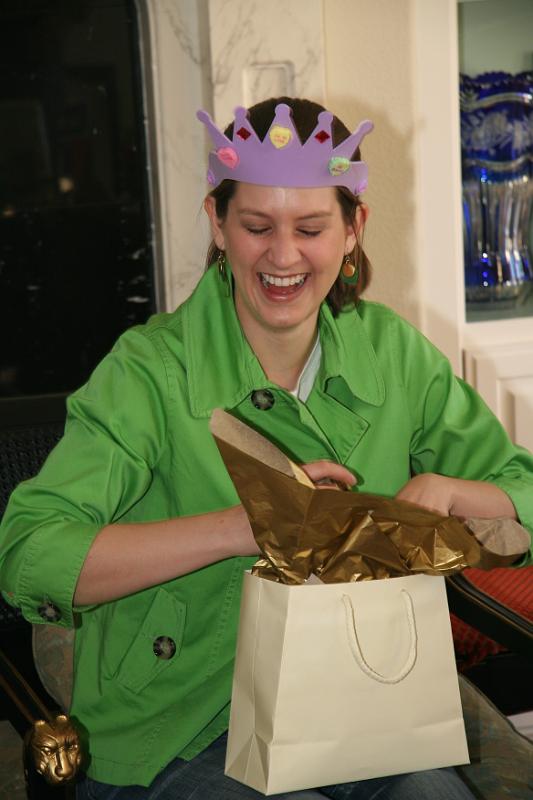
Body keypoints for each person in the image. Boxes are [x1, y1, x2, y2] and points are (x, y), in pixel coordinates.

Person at [0, 97, 532, 800]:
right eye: (256, 227)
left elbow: (520, 489)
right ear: (217, 224)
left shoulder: (394, 354)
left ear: (353, 229)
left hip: (357, 705)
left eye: (310, 228)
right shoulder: (148, 371)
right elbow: (29, 552)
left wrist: (455, 491)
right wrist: (243, 526)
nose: (283, 256)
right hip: (175, 726)